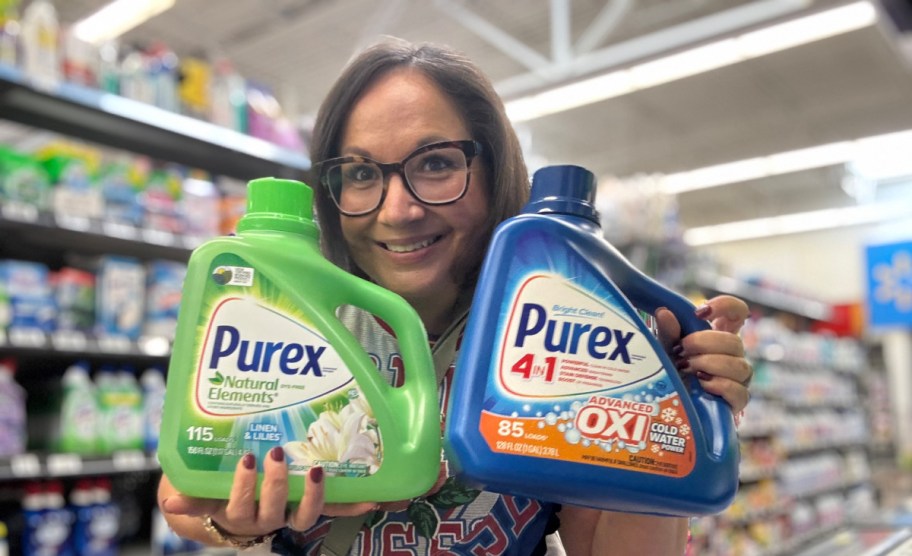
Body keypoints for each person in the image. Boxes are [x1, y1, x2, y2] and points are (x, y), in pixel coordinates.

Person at [157, 37, 753, 555]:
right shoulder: (289, 321)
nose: (399, 210)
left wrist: (660, 413)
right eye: (361, 173)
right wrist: (231, 524)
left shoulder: (554, 342)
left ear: (497, 173)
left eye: (436, 163)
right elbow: (184, 491)